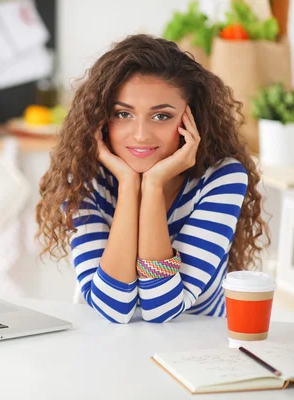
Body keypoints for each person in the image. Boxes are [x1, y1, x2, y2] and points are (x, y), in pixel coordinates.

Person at [35, 34, 267, 324]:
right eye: (123, 114)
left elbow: (162, 308)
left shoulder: (222, 178)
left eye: (161, 116)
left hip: (201, 351)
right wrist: (130, 185)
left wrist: (153, 185)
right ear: (100, 120)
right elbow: (113, 308)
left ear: (191, 120)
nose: (141, 134)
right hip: (113, 350)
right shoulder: (84, 180)